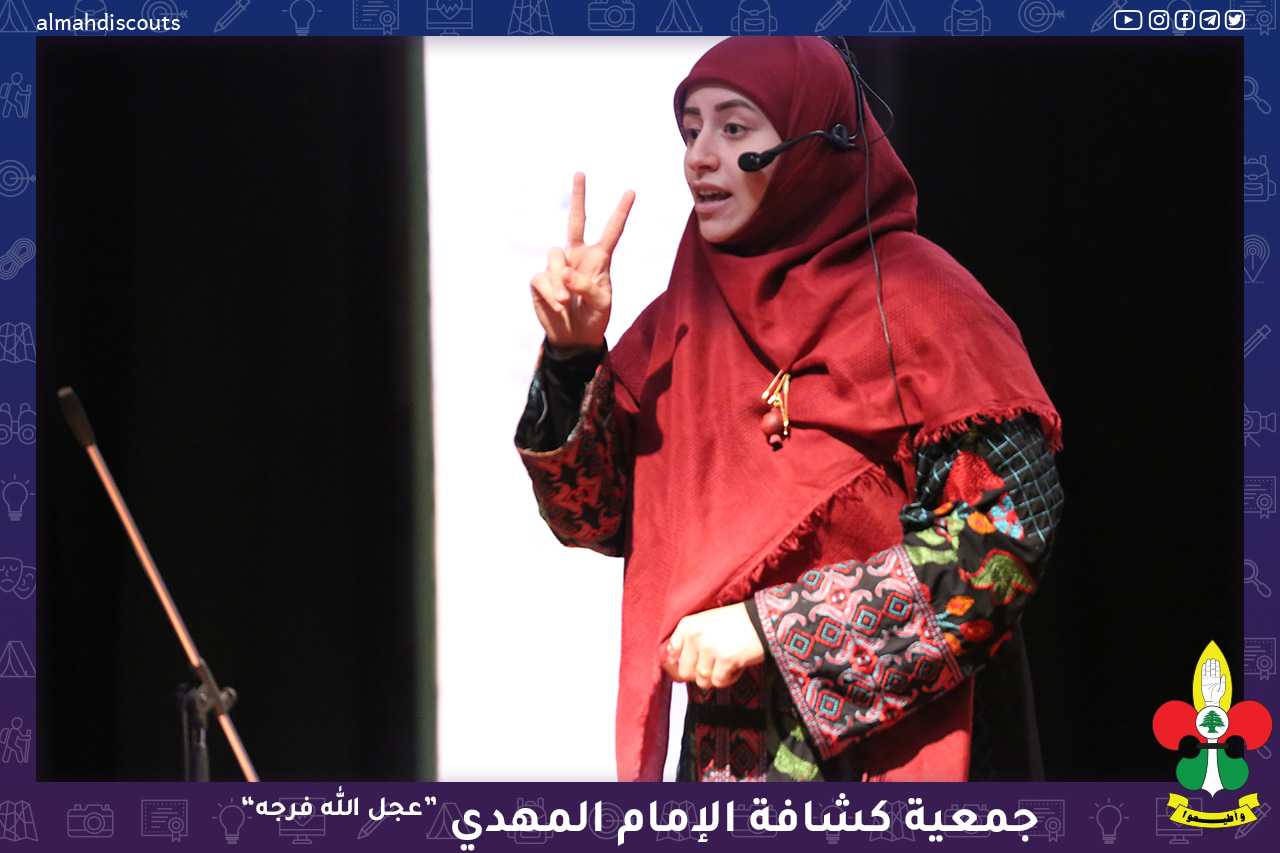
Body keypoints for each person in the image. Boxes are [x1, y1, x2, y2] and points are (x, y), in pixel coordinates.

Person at [514, 36, 1064, 783]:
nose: (700, 157)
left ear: (813, 143)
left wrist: (771, 628)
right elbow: (596, 517)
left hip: (907, 757)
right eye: (691, 131)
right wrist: (574, 353)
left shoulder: (928, 305)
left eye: (733, 128)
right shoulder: (682, 325)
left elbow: (1003, 541)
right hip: (730, 770)